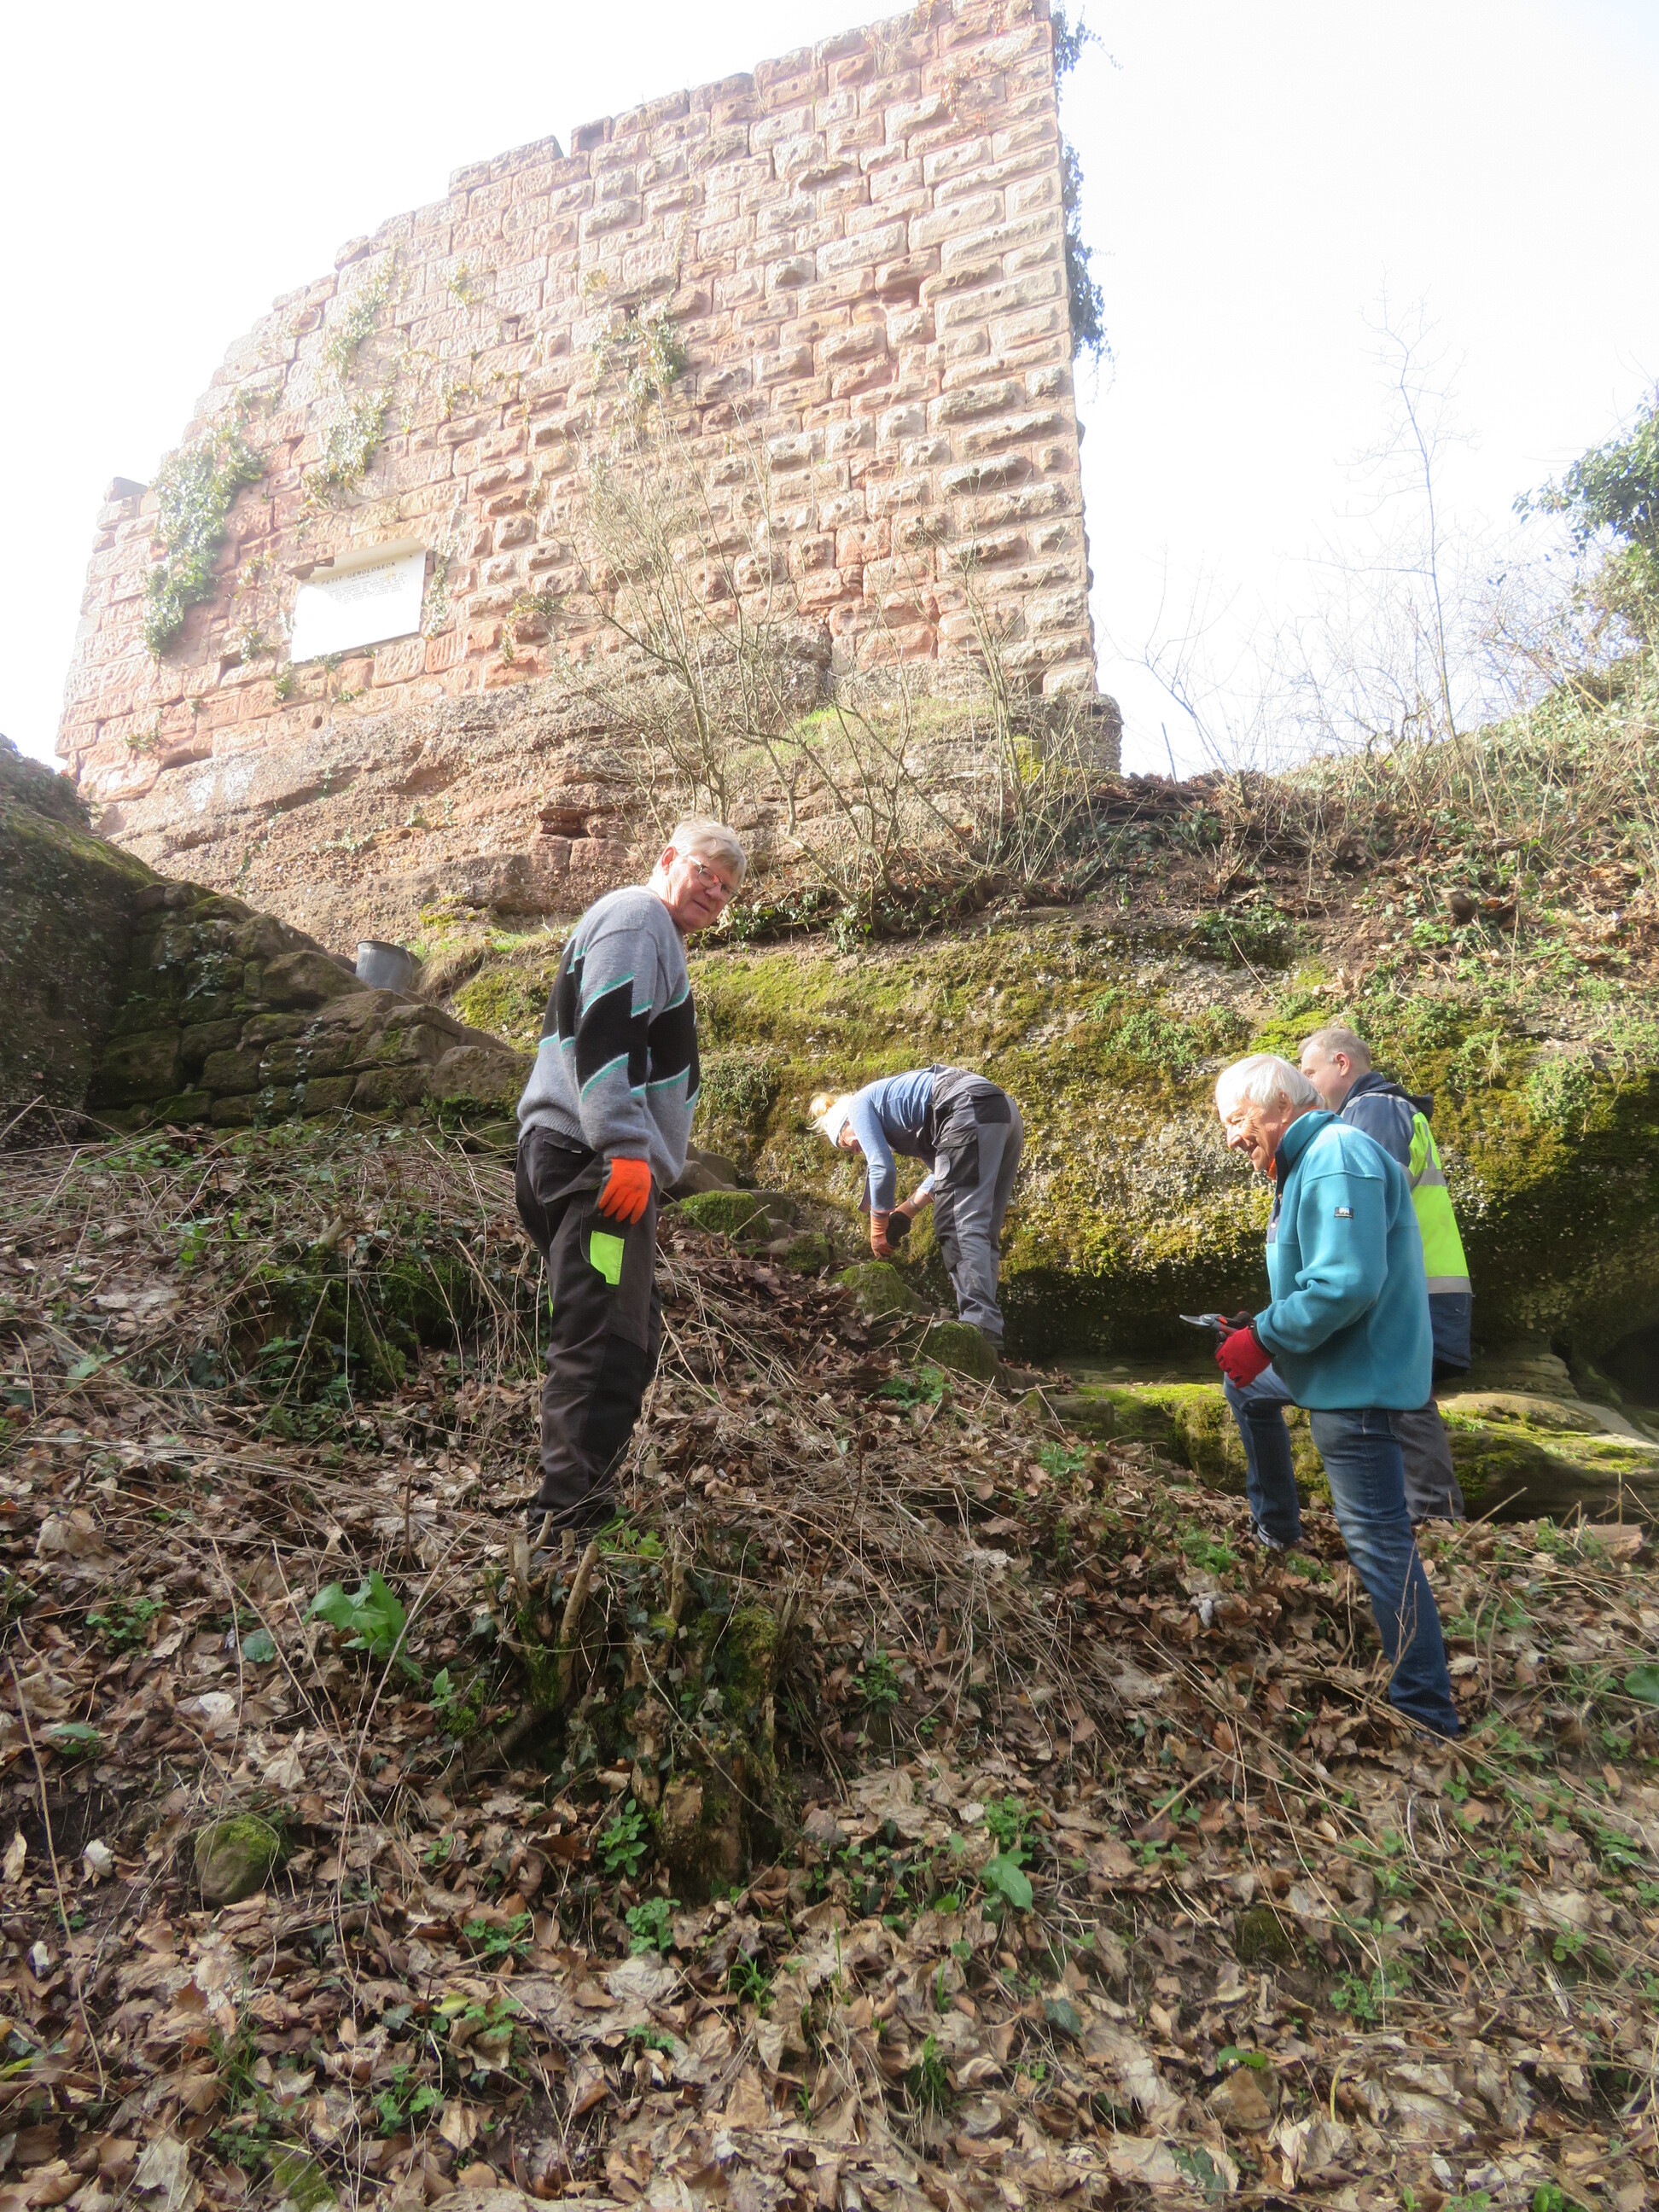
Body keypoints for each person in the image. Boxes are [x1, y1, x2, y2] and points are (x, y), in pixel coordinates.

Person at [1212, 1052, 1459, 1737]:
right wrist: (1256, 1333)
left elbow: (1346, 1284)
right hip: (1330, 1363)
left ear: (1280, 1106)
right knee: (1247, 1388)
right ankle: (1278, 1529)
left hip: (1359, 1379)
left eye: (1236, 1120)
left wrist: (1266, 1335)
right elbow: (1318, 1280)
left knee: (1376, 1538)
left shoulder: (1335, 1156)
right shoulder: (1303, 1163)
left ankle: (1426, 1709)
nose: (1231, 1138)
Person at [515, 818, 746, 1542]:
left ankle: (583, 1507)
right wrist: (624, 1147)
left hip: (591, 1164)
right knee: (603, 1342)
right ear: (669, 858)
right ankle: (564, 1531)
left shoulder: (651, 932)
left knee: (627, 1335)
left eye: (728, 888)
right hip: (596, 1167)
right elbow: (609, 1028)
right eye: (707, 872)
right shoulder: (639, 916)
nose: (716, 892)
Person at [1301, 1025, 1470, 1519]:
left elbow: (1365, 1204)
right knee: (1396, 1400)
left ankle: (1436, 1522)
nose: (1306, 1084)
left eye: (1309, 1071)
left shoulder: (1374, 1109)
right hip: (1421, 1286)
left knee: (1404, 1400)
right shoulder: (1376, 1110)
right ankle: (1416, 1521)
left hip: (1415, 1290)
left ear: (1342, 1064)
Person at [810, 1068, 1023, 1353]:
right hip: (1001, 1111)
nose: (855, 1151)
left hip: (966, 1106)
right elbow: (942, 1173)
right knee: (982, 1229)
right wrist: (906, 1211)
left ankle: (979, 1325)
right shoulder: (908, 1122)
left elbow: (881, 1168)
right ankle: (987, 1329)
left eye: (845, 1144)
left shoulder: (858, 1105)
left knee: (955, 1222)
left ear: (846, 1123)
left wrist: (878, 1228)